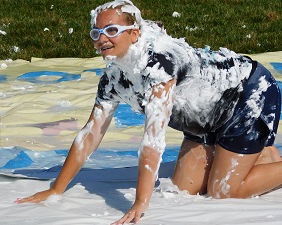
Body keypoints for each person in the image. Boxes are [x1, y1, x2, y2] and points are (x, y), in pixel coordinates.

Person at [16, 0, 282, 224]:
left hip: (247, 95)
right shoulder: (113, 78)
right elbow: (90, 135)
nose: (102, 39)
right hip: (205, 119)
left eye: (111, 30)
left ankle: (254, 152)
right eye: (96, 33)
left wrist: (140, 202)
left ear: (133, 34)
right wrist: (55, 190)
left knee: (223, 192)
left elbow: (153, 140)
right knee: (182, 190)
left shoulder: (159, 66)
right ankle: (260, 155)